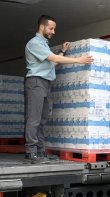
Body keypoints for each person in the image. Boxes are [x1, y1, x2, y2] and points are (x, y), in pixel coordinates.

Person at [24, 15, 93, 163]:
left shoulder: (44, 45)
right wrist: (78, 60)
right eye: (51, 28)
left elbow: (51, 64)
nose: (53, 32)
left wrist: (62, 51)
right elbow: (53, 59)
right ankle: (31, 151)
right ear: (42, 27)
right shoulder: (34, 43)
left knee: (42, 120)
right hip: (36, 82)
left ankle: (40, 151)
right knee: (34, 119)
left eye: (54, 29)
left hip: (45, 83)